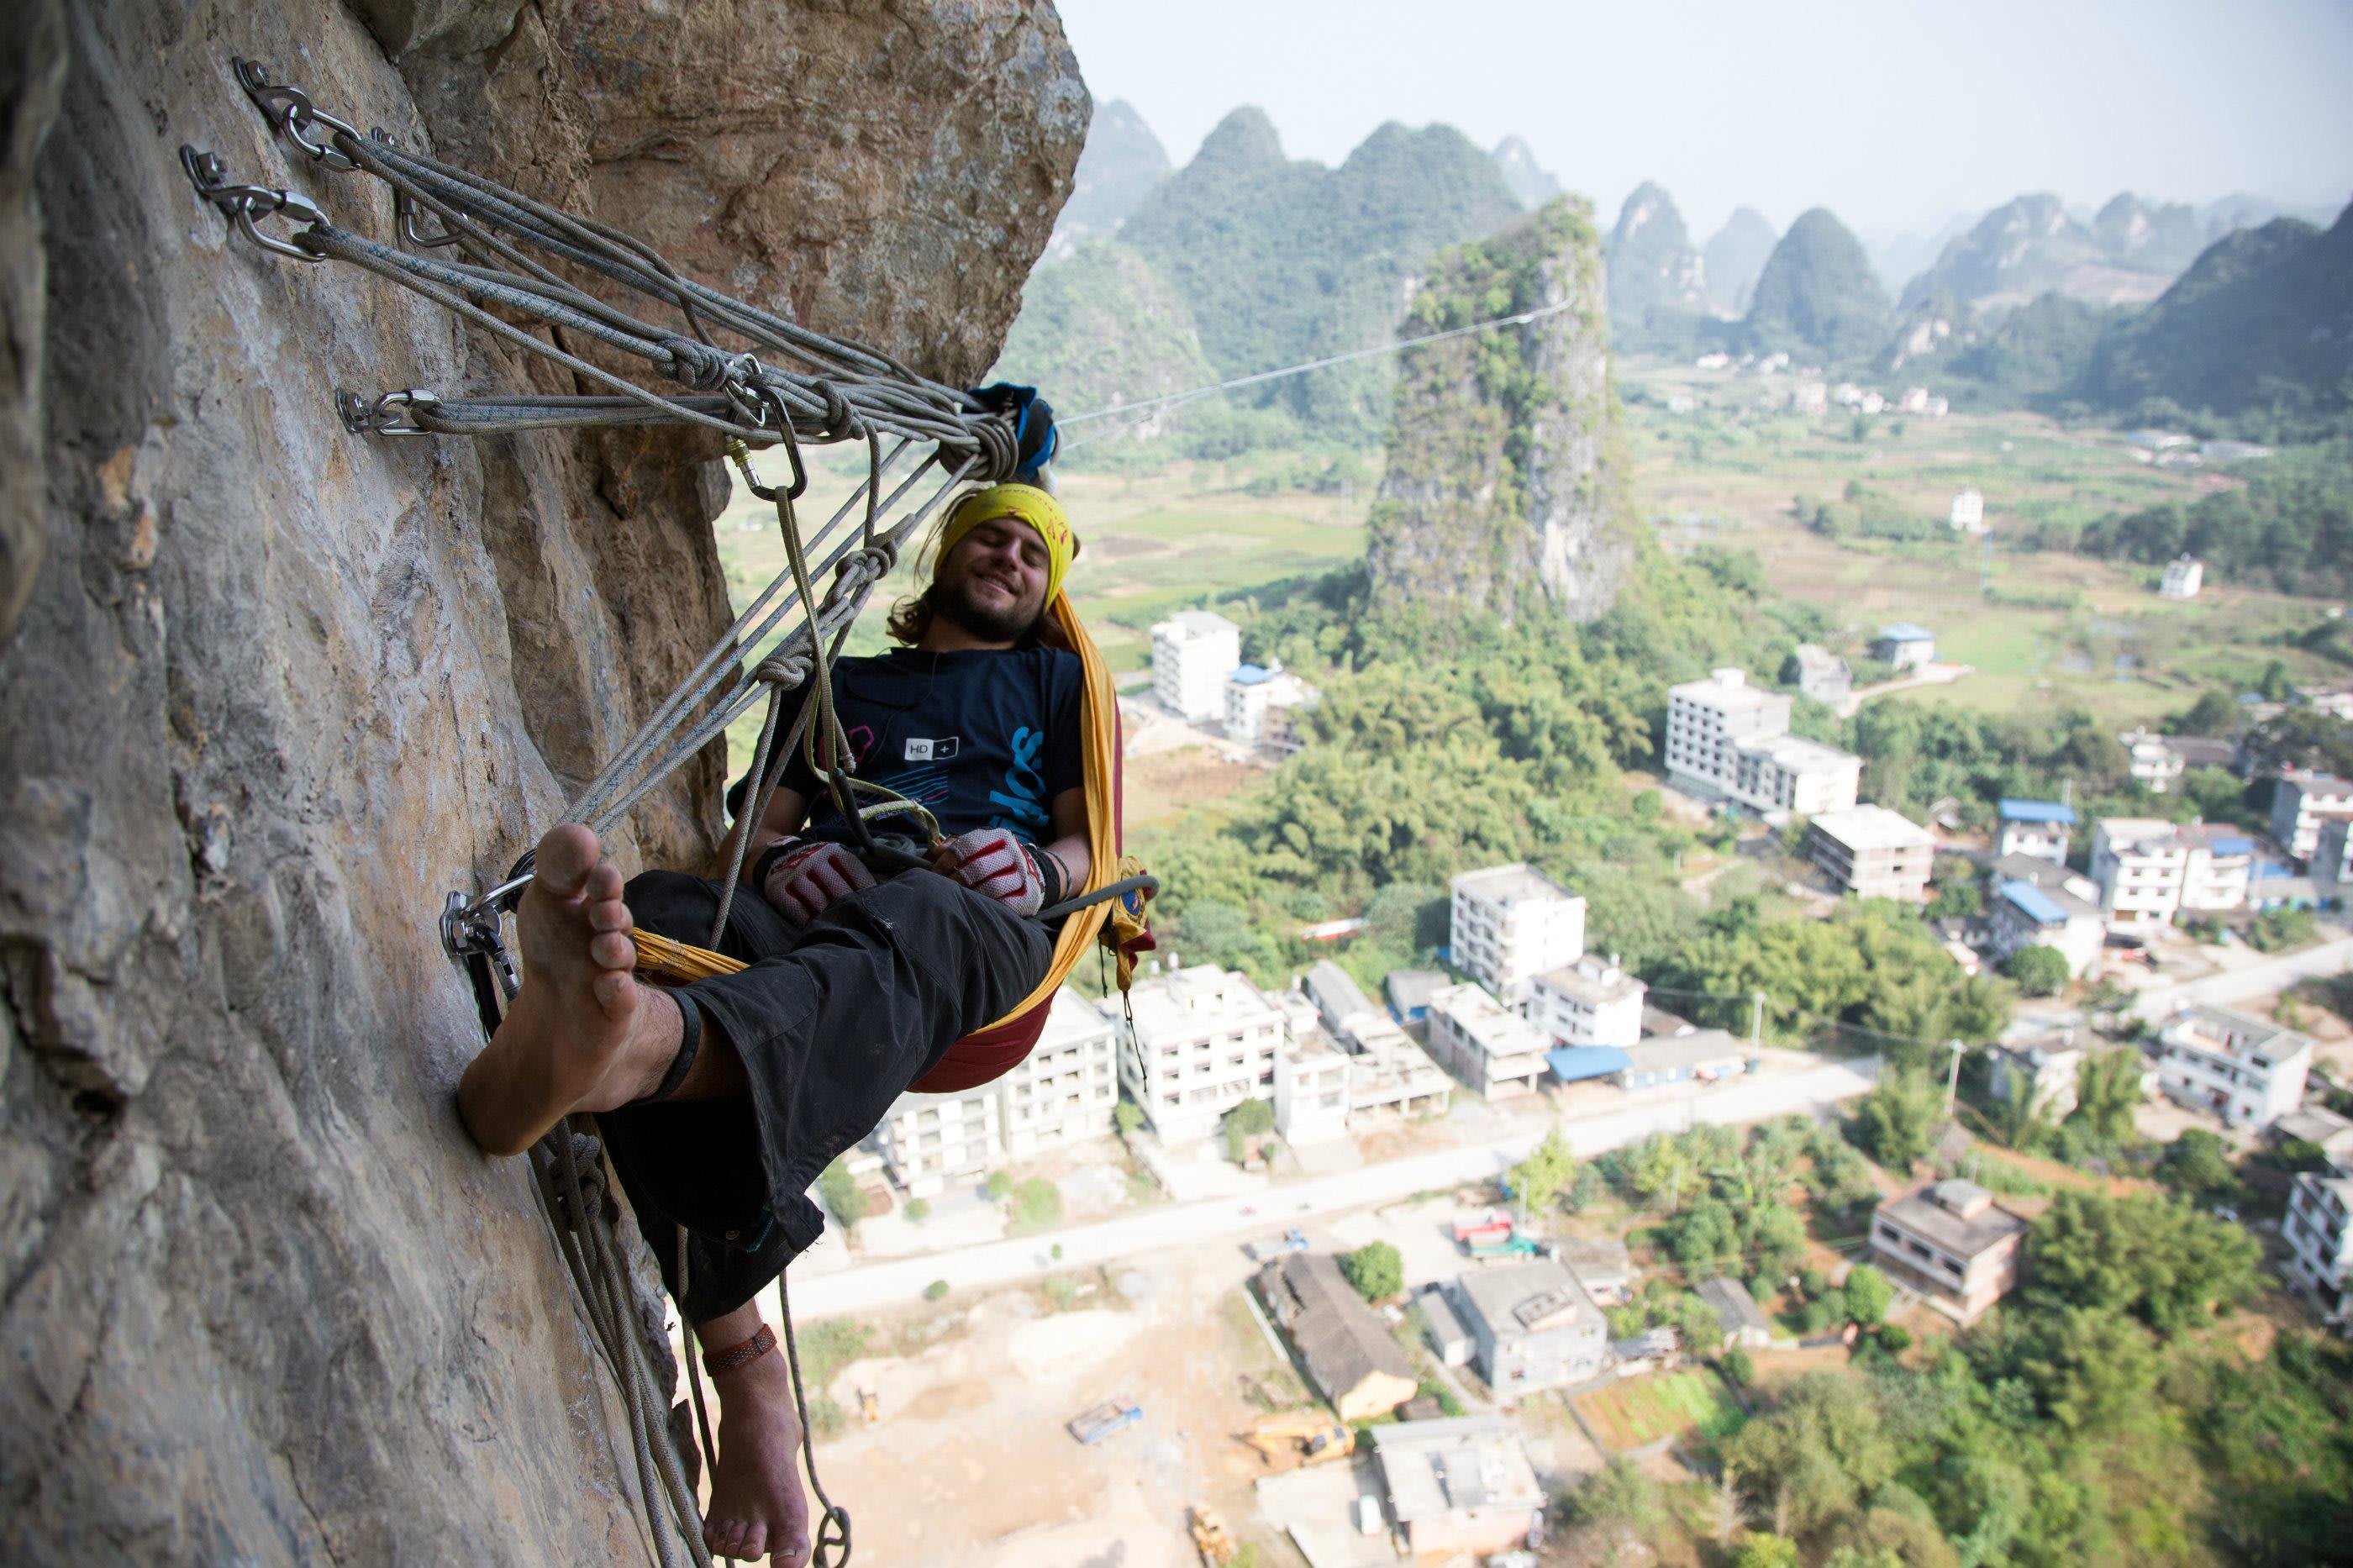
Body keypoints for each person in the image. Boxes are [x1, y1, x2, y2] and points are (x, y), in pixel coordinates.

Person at [454, 481, 1096, 1565]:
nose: (1010, 560)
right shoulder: (841, 686)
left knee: (922, 911)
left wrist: (1036, 866)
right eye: (991, 536)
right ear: (945, 559)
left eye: (1035, 557)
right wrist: (787, 862)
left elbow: (1095, 847)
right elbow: (757, 834)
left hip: (974, 929)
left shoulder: (1060, 682)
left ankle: (644, 1059)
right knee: (665, 913)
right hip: (818, 920)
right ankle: (623, 1070)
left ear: (1048, 595)